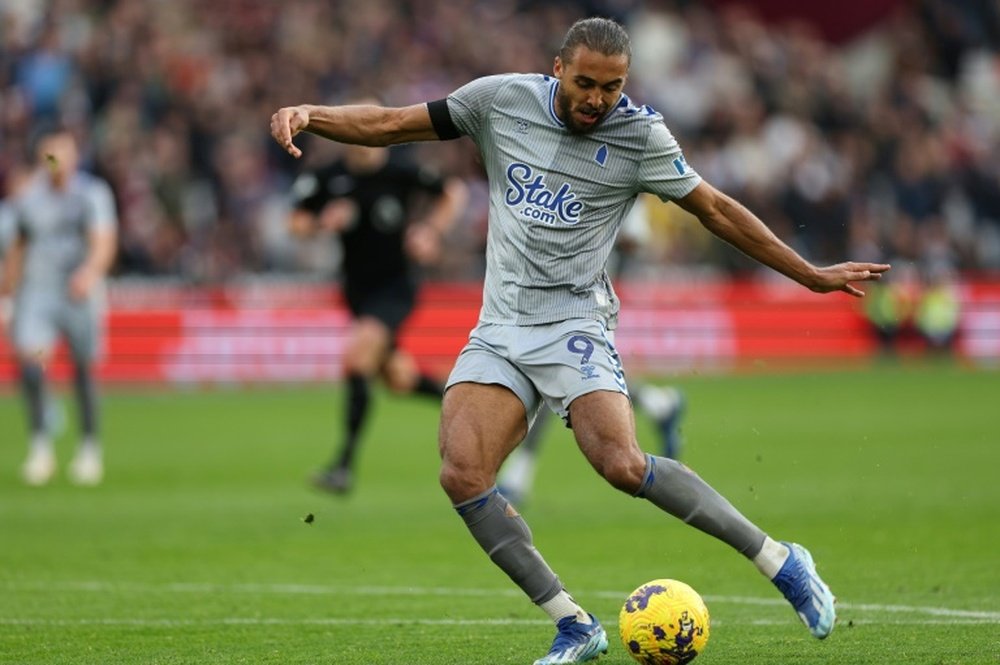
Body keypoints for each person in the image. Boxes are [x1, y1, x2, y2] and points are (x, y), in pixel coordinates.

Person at [270, 17, 890, 664]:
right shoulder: (501, 100)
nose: (598, 98)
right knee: (461, 471)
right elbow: (393, 124)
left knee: (622, 464)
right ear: (559, 68)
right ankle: (573, 623)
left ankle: (782, 561)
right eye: (587, 82)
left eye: (613, 86)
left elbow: (716, 209)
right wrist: (312, 114)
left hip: (574, 324)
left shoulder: (641, 136)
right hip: (500, 325)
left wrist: (811, 275)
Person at [287, 113, 468, 494]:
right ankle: (467, 401)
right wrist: (322, 222)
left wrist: (431, 232)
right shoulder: (328, 177)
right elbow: (296, 223)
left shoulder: (400, 171)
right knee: (399, 380)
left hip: (396, 288)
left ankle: (343, 466)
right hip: (357, 291)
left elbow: (454, 192)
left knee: (357, 357)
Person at [498, 196, 687, 508]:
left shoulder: (613, 174)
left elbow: (635, 240)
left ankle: (518, 475)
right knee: (574, 382)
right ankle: (659, 403)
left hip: (585, 300)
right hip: (550, 295)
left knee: (554, 378)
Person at [0, 126, 118, 486]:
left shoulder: (92, 194)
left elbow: (103, 240)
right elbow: (18, 249)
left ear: (74, 157)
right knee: (33, 364)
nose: (57, 163)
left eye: (63, 154)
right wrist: (7, 294)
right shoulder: (28, 200)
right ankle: (40, 448)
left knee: (83, 370)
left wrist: (90, 273)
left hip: (79, 293)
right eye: (50, 156)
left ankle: (88, 448)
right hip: (38, 294)